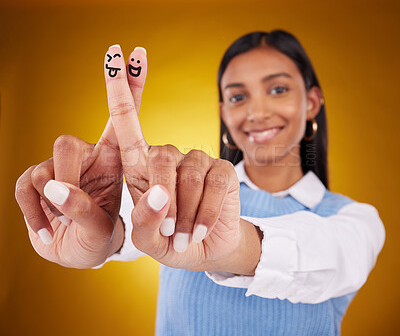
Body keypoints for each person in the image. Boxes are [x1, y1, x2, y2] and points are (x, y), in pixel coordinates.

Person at [15, 30, 385, 335]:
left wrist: (229, 243)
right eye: (238, 96)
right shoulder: (181, 193)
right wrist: (92, 229)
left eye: (278, 89)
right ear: (225, 111)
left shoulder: (355, 221)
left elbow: (329, 253)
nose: (257, 112)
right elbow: (126, 229)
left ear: (312, 103)